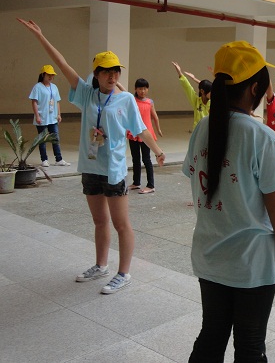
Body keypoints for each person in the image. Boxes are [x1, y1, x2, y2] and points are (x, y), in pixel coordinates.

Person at [18, 18, 166, 295]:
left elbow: (141, 129)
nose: (112, 76)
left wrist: (158, 151)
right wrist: (40, 36)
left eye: (116, 71)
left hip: (113, 169)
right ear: (96, 74)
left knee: (121, 224)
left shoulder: (125, 100)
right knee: (99, 221)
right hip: (90, 166)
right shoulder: (86, 95)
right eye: (106, 71)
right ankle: (101, 265)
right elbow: (63, 65)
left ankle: (124, 273)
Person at [183, 41, 275, 361]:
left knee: (211, 334)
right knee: (250, 344)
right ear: (255, 88)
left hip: (209, 255)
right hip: (252, 263)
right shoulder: (262, 137)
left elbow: (194, 176)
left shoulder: (202, 128)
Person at [29, 64, 70, 167]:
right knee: (42, 140)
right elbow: (34, 102)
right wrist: (37, 116)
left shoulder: (54, 87)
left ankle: (59, 159)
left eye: (52, 75)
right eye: (49, 75)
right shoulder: (37, 87)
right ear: (43, 75)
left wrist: (59, 114)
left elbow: (57, 102)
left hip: (53, 118)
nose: (51, 77)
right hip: (42, 117)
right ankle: (44, 159)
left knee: (55, 138)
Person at [127, 78, 163, 194]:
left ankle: (151, 185)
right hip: (133, 133)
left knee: (146, 159)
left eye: (145, 88)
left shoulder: (149, 102)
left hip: (146, 134)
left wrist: (158, 129)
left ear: (147, 89)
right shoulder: (132, 100)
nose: (142, 91)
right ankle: (136, 182)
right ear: (135, 89)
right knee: (135, 159)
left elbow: (155, 117)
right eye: (140, 89)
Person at [171, 61, 211, 130]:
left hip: (209, 130)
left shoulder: (214, 102)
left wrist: (194, 79)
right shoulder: (196, 101)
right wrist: (180, 73)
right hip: (198, 131)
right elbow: (188, 88)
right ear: (202, 91)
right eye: (211, 92)